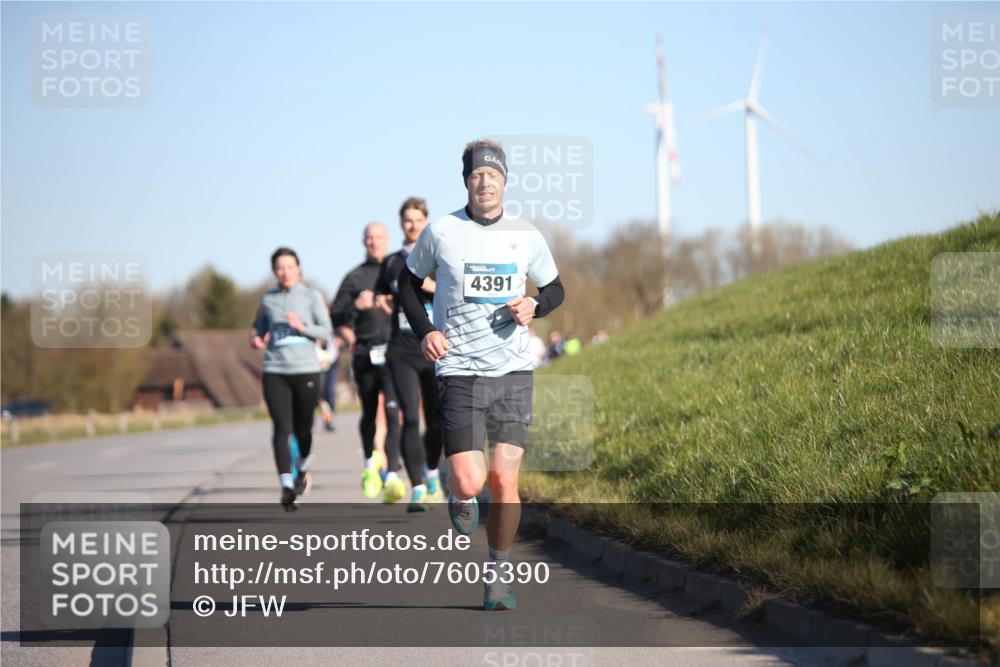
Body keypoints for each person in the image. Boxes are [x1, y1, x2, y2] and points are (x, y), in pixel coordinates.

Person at [397, 139, 565, 610]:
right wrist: (426, 329)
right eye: (476, 175)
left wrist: (535, 304)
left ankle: (496, 575)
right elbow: (406, 284)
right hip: (460, 370)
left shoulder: (526, 235)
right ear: (466, 181)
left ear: (504, 181)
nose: (484, 181)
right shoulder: (442, 232)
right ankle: (457, 490)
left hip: (512, 370)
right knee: (471, 482)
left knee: (504, 479)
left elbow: (555, 288)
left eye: (493, 175)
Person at [374, 197, 444, 512]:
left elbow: (451, 290)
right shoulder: (390, 263)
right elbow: (381, 293)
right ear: (401, 224)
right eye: (407, 220)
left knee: (437, 420)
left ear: (426, 222)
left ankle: (430, 471)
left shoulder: (440, 257)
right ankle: (416, 487)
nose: (412, 225)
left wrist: (426, 285)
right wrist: (379, 301)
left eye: (417, 219)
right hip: (402, 349)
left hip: (436, 347)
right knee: (410, 418)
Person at [251, 247, 332, 511]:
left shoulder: (311, 296)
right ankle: (286, 485)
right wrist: (255, 338)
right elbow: (259, 330)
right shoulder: (268, 300)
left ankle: (303, 466)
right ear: (274, 271)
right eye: (279, 268)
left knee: (303, 428)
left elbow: (326, 330)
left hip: (306, 369)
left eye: (289, 267)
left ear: (298, 269)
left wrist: (303, 328)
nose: (285, 272)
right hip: (275, 370)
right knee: (281, 428)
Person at [330, 223, 404, 502]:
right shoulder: (354, 277)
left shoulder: (397, 269)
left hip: (396, 351)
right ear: (364, 241)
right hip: (365, 352)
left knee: (394, 410)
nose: (374, 242)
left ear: (387, 240)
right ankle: (371, 465)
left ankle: (393, 471)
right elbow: (337, 314)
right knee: (370, 412)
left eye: (379, 238)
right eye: (369, 238)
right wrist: (353, 316)